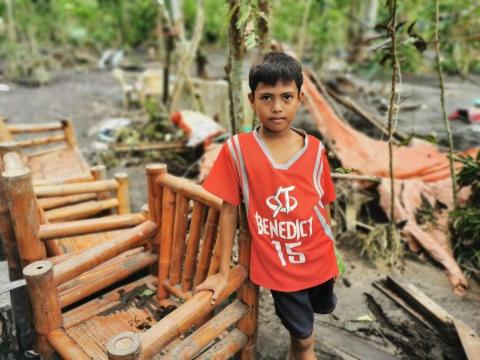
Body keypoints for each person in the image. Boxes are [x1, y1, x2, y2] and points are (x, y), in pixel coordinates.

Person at [196, 52, 338, 360]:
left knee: (304, 329)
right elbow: (229, 210)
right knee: (305, 341)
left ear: (300, 98)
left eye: (286, 96)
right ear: (252, 99)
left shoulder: (315, 150)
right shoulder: (237, 150)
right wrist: (222, 272)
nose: (276, 107)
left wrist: (332, 246)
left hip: (320, 258)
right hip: (281, 268)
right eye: (267, 97)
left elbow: (324, 202)